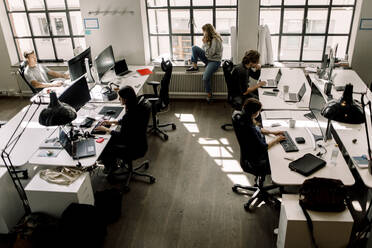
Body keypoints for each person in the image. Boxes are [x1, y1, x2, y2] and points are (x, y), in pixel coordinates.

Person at [95, 86, 142, 172]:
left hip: (131, 146)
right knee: (109, 138)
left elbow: (121, 136)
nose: (119, 99)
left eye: (120, 98)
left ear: (125, 99)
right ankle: (113, 163)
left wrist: (106, 129)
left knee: (105, 145)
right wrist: (112, 122)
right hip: (138, 141)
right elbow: (125, 121)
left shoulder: (129, 115)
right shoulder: (135, 107)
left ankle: (111, 168)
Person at [233, 98, 285, 173]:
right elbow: (263, 147)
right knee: (281, 157)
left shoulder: (243, 116)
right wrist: (277, 139)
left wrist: (273, 132)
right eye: (259, 111)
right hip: (256, 162)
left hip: (249, 155)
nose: (259, 112)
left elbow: (259, 129)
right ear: (254, 113)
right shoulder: (249, 129)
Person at [186, 23, 223, 102]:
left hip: (214, 62)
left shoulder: (215, 39)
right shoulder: (209, 38)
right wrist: (204, 43)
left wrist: (205, 43)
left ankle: (209, 95)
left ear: (208, 31)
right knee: (194, 48)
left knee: (205, 78)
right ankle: (195, 67)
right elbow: (206, 52)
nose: (203, 33)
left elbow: (210, 53)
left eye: (204, 31)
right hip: (208, 59)